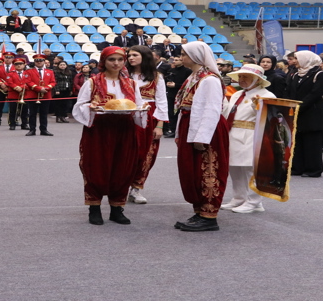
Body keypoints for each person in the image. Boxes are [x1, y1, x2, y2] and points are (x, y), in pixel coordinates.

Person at [72, 46, 146, 225]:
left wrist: (142, 109)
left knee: (123, 168)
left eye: (120, 60)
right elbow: (80, 105)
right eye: (112, 59)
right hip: (100, 129)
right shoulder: (93, 82)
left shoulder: (131, 83)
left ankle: (116, 208)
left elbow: (137, 104)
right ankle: (94, 208)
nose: (116, 63)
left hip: (125, 129)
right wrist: (92, 108)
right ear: (104, 62)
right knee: (97, 167)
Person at [173, 41, 230, 232]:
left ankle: (209, 215)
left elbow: (211, 110)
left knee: (209, 169)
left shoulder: (209, 80)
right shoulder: (194, 77)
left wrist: (201, 137)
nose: (182, 57)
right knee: (193, 170)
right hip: (191, 127)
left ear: (196, 56)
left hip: (207, 130)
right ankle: (199, 211)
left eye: (184, 54)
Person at [220, 64, 275, 214]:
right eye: (240, 76)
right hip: (233, 133)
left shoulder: (267, 95)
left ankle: (254, 202)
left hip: (252, 135)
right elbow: (227, 112)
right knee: (235, 168)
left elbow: (270, 117)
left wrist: (257, 106)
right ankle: (239, 198)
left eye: (246, 77)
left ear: (257, 80)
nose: (241, 79)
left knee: (251, 170)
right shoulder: (238, 94)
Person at [127, 45, 168, 204]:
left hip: (150, 117)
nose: (131, 58)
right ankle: (121, 186)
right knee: (126, 153)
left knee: (147, 154)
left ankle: (136, 188)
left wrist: (160, 125)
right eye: (129, 55)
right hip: (127, 116)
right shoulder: (123, 75)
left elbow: (162, 102)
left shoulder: (157, 77)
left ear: (144, 57)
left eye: (135, 55)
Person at [286, 51, 323, 177]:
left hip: (312, 113)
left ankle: (313, 169)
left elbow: (315, 94)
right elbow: (290, 91)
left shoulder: (321, 75)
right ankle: (297, 167)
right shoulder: (295, 74)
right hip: (296, 112)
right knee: (297, 141)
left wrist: (300, 106)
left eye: (297, 58)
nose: (295, 61)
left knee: (312, 142)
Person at [24, 54, 55, 136]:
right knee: (32, 113)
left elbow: (53, 82)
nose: (39, 62)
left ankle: (44, 129)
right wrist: (38, 88)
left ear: (44, 62)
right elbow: (28, 81)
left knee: (44, 114)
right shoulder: (29, 71)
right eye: (37, 61)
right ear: (34, 62)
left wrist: (47, 88)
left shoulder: (50, 72)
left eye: (41, 61)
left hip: (45, 94)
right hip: (33, 94)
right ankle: (32, 130)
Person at [5, 58, 29, 130]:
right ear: (14, 65)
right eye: (16, 64)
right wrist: (16, 87)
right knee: (13, 110)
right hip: (13, 94)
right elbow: (9, 82)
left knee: (24, 110)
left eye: (20, 64)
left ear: (24, 65)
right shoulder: (10, 74)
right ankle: (12, 124)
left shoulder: (28, 73)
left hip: (25, 94)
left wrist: (21, 87)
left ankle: (24, 124)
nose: (19, 66)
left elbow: (29, 82)